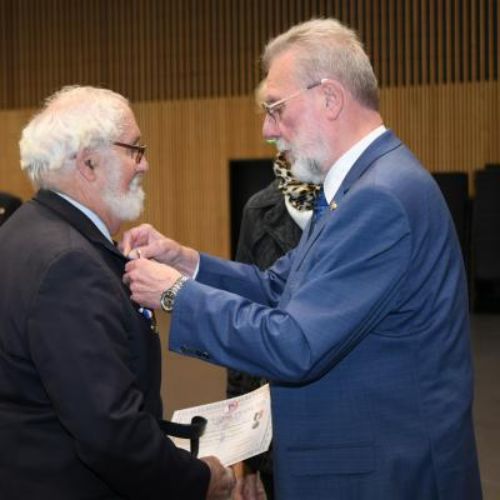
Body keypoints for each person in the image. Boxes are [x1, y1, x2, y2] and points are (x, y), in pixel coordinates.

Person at [122, 18, 482, 500]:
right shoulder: (359, 187)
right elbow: (278, 288)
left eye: (275, 108)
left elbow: (295, 345)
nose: (268, 130)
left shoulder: (378, 198)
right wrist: (186, 262)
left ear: (330, 98)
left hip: (386, 475)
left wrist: (174, 294)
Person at [0, 86, 234, 500]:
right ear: (88, 163)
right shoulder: (69, 264)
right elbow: (111, 432)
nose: (145, 164)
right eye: (135, 150)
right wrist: (201, 480)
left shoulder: (23, 234)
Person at [228, 152, 316, 500]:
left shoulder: (354, 202)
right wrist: (244, 448)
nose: (272, 129)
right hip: (275, 422)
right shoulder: (259, 210)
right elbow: (242, 325)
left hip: (344, 422)